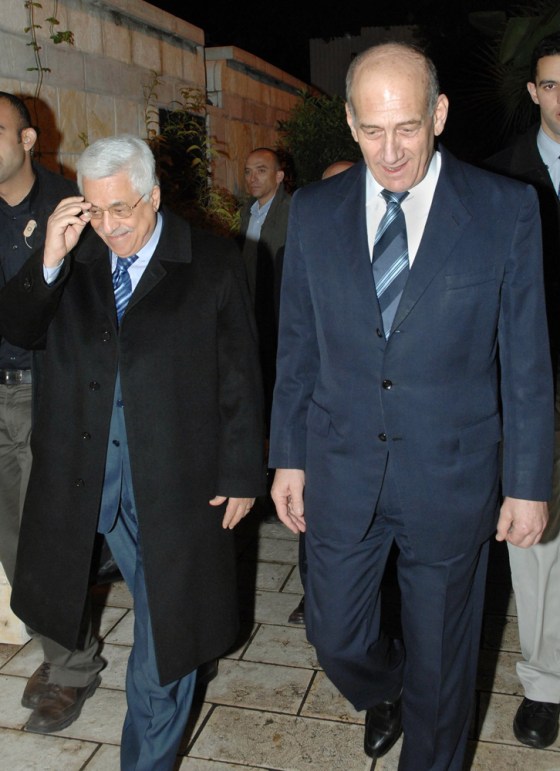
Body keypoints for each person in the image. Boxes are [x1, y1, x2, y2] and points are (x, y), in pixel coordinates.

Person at [269, 42, 554, 770]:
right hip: (341, 466)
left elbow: (527, 362)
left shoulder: (504, 209)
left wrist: (527, 483)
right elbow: (297, 345)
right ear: (350, 121)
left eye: (407, 128)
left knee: (445, 669)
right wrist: (288, 457)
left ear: (440, 114)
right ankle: (389, 685)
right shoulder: (315, 212)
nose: (390, 152)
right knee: (334, 637)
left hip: (451, 475)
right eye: (372, 131)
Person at [0, 134, 265, 770]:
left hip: (175, 483)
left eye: (122, 209)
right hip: (90, 481)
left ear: (154, 196)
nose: (110, 225)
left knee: (165, 637)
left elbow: (241, 376)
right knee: (142, 606)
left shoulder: (212, 260)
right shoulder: (74, 254)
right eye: (95, 210)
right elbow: (19, 329)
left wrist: (242, 472)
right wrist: (48, 259)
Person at [0, 91, 105, 734]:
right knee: (13, 543)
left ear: (28, 139)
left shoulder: (72, 206)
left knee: (50, 540)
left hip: (47, 394)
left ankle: (72, 666)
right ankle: (62, 647)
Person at [485, 31, 560, 750]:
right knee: (538, 545)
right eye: (553, 84)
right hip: (536, 390)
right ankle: (545, 682)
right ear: (535, 92)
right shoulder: (500, 181)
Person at [287, 158, 355, 627]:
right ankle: (313, 594)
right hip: (320, 423)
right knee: (309, 516)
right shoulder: (308, 245)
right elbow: (297, 348)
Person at [238, 147, 291, 520]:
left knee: (276, 387)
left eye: (260, 170)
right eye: (247, 171)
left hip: (279, 313)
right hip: (249, 311)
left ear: (279, 176)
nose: (252, 177)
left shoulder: (293, 210)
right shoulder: (247, 212)